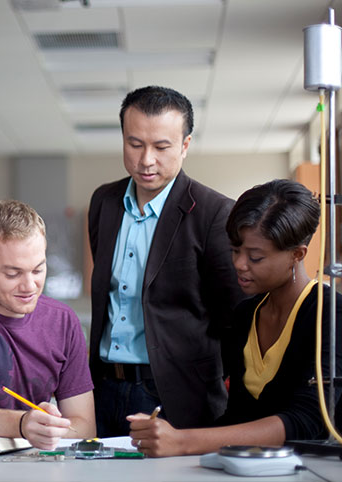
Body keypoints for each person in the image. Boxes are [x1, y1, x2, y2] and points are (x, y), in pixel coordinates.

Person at [127, 179, 342, 457]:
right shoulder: (245, 315)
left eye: (255, 257)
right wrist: (172, 437)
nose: (239, 264)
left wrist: (183, 441)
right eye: (235, 250)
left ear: (296, 255)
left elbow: (308, 420)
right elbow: (238, 417)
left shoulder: (331, 314)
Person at [88, 85, 244, 437]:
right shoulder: (104, 202)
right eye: (135, 144)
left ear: (185, 146)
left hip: (175, 396)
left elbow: (236, 320)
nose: (146, 160)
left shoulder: (215, 213)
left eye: (161, 147)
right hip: (102, 390)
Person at [0, 200, 96, 450]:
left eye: (38, 270)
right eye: (13, 274)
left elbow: (85, 426)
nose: (29, 286)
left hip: (32, 462)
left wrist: (48, 428)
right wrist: (23, 424)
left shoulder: (64, 321)